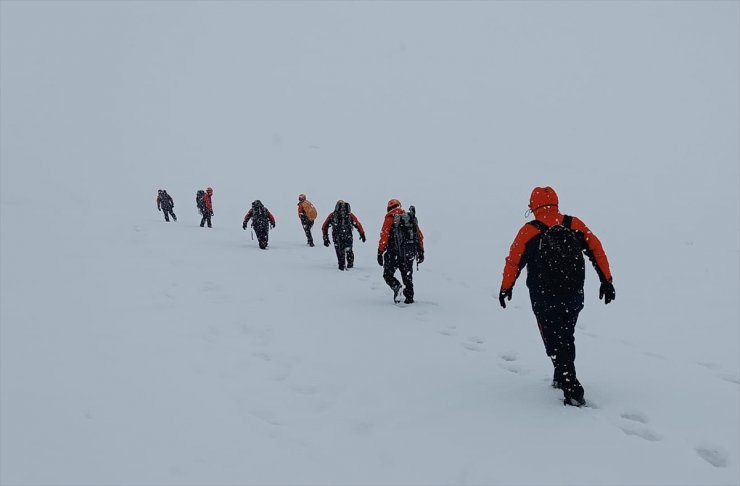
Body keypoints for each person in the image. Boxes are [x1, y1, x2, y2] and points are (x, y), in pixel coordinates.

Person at [498, 186, 615, 407]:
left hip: (544, 296)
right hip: (573, 293)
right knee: (566, 335)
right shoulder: (574, 224)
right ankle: (561, 374)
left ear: (533, 206)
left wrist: (506, 287)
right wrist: (606, 280)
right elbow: (596, 248)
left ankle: (571, 385)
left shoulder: (529, 231)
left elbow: (513, 261)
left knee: (553, 340)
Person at [377, 199, 424, 304]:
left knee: (387, 275)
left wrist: (380, 252)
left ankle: (397, 287)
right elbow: (419, 235)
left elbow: (384, 235)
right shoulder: (410, 218)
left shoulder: (390, 217)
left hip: (393, 252)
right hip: (408, 252)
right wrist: (421, 251)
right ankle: (409, 299)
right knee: (407, 277)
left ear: (389, 208)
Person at [321, 200, 366, 270]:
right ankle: (350, 265)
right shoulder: (349, 215)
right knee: (349, 250)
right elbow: (357, 224)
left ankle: (341, 266)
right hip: (348, 235)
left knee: (339, 250)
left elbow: (324, 226)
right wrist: (362, 234)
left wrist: (325, 238)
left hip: (336, 236)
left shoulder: (332, 215)